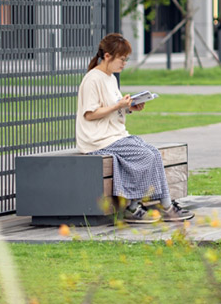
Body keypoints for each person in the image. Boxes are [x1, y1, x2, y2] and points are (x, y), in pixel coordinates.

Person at [76, 32, 194, 224]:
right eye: (121, 59)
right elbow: (90, 114)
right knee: (145, 155)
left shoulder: (110, 78)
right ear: (107, 56)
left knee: (153, 153)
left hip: (115, 136)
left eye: (126, 60)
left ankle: (165, 205)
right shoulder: (93, 79)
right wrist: (118, 105)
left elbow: (112, 108)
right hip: (98, 140)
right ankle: (133, 207)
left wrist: (130, 107)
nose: (124, 64)